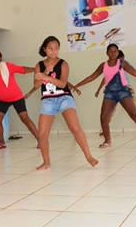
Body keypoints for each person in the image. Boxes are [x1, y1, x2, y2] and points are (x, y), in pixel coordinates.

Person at [26, 36, 99, 171]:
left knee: (75, 128)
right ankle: (46, 162)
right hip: (47, 100)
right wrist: (46, 71)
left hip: (64, 98)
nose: (54, 51)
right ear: (44, 49)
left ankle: (89, 156)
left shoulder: (63, 64)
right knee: (42, 134)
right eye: (50, 48)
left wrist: (46, 77)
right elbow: (36, 84)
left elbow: (62, 83)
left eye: (56, 48)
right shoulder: (39, 65)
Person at [74, 43, 136, 148]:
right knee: (104, 117)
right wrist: (77, 85)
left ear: (118, 52)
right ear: (107, 53)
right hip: (109, 93)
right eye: (110, 51)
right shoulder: (103, 65)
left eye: (115, 51)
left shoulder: (122, 63)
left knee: (135, 114)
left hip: (123, 91)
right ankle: (107, 141)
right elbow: (92, 77)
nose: (113, 53)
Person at [94, 50, 136, 136]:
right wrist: (98, 89)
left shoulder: (125, 63)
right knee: (109, 112)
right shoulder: (113, 65)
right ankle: (105, 129)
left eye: (123, 59)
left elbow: (135, 72)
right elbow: (106, 79)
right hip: (113, 91)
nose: (122, 61)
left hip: (126, 89)